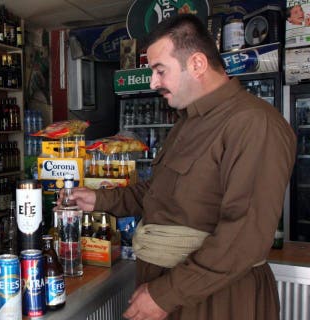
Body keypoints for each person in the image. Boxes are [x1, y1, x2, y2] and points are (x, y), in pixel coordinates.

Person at [63, 14, 296, 320]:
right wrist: (99, 200)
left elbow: (244, 235)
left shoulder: (253, 123)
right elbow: (159, 191)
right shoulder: (187, 123)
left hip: (217, 302)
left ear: (197, 64)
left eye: (160, 71)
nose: (152, 82)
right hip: (173, 291)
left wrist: (165, 295)